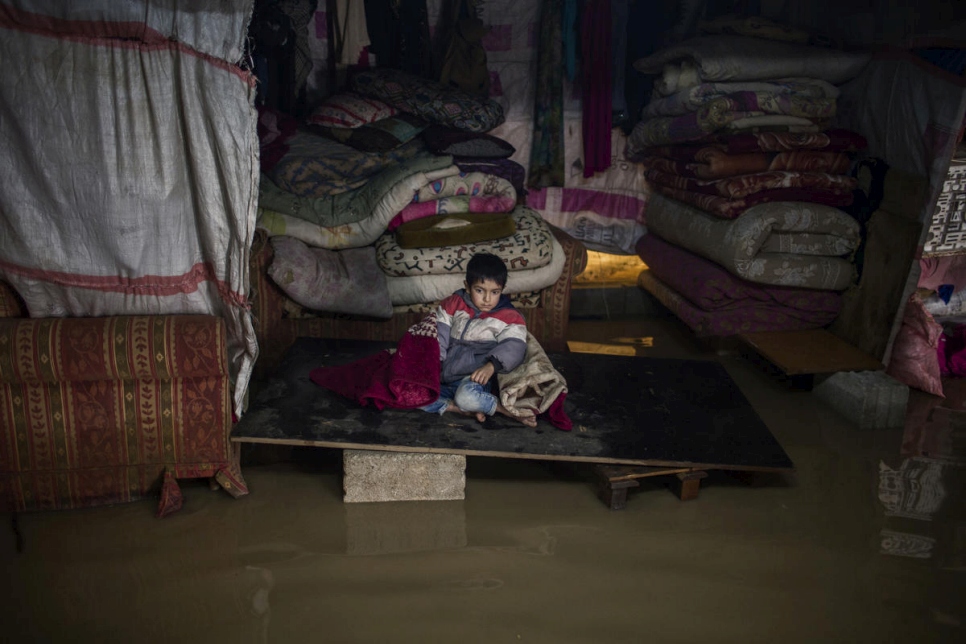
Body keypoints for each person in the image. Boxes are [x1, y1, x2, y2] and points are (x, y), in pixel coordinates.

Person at [420, 252, 537, 427]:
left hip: (473, 380)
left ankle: (502, 409)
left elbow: (515, 346)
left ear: (502, 290)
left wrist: (491, 366)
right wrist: (432, 366)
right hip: (443, 376)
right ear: (467, 286)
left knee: (466, 397)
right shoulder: (452, 304)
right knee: (409, 393)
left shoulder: (509, 316)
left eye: (495, 292)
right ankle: (456, 408)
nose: (487, 299)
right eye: (480, 290)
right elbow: (439, 336)